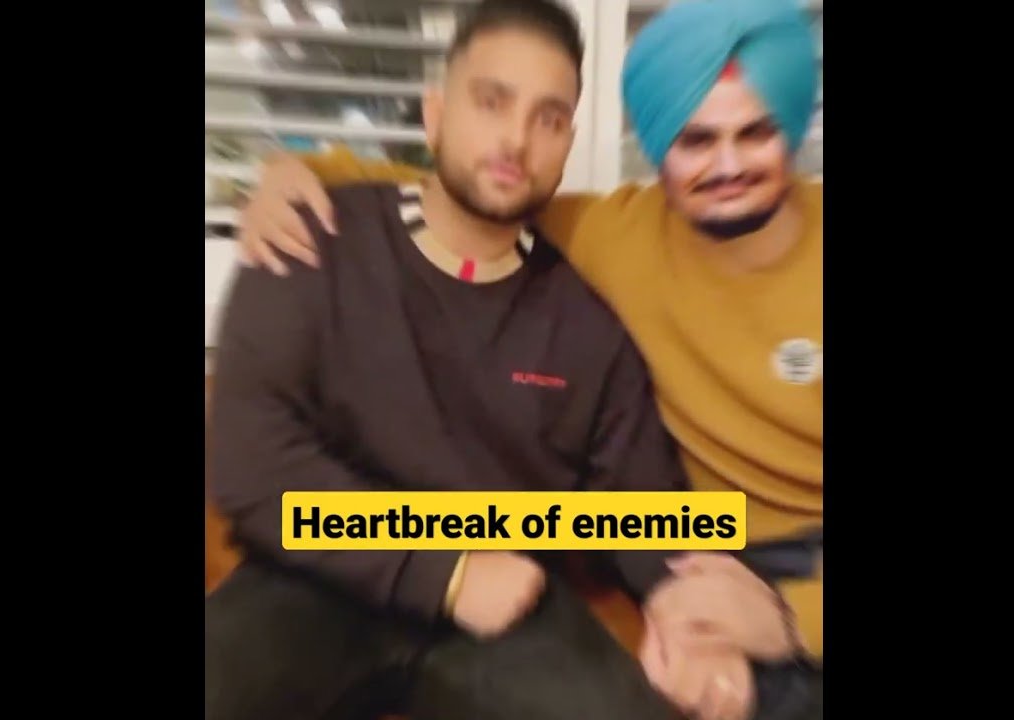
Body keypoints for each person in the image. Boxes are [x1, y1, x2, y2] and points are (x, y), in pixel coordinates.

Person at [206, 2, 798, 719]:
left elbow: (647, 514)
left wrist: (703, 623)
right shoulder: (311, 240)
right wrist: (447, 571)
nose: (516, 139)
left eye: (548, 118)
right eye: (492, 102)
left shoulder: (588, 323)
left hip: (511, 599)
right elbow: (252, 461)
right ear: (435, 115)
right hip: (311, 580)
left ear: (568, 142)